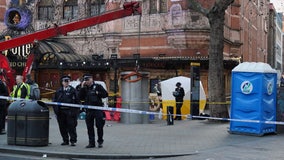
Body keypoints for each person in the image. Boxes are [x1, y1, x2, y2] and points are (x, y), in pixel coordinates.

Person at [78, 73, 108, 148]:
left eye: (88, 79)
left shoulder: (98, 86)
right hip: (89, 110)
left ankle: (100, 141)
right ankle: (91, 143)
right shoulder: (84, 88)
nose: (87, 81)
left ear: (91, 79)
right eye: (85, 80)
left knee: (99, 126)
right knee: (89, 127)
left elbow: (105, 94)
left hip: (98, 109)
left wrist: (98, 93)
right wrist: (82, 87)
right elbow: (80, 97)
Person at [53, 75, 80, 146]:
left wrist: (76, 112)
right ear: (62, 82)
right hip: (61, 112)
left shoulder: (73, 91)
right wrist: (56, 111)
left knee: (71, 126)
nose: (66, 82)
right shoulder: (59, 91)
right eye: (65, 81)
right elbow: (54, 101)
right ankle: (65, 140)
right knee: (62, 127)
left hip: (70, 112)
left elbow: (77, 101)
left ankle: (73, 140)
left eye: (68, 81)